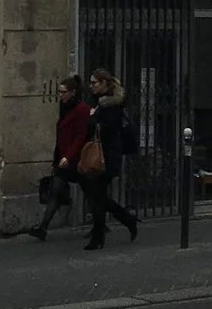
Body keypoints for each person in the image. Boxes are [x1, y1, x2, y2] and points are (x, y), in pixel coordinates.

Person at [80, 68, 140, 249]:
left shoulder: (111, 104)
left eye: (94, 83)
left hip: (107, 155)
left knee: (97, 196)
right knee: (97, 196)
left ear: (104, 83)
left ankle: (98, 237)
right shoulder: (95, 102)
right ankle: (127, 220)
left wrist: (92, 119)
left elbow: (106, 128)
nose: (91, 86)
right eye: (90, 83)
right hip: (97, 154)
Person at [30, 75, 91, 242]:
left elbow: (80, 136)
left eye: (63, 92)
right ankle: (43, 228)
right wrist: (58, 157)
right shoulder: (64, 107)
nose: (60, 95)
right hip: (63, 158)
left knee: (91, 192)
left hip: (76, 158)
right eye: (59, 92)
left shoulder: (82, 109)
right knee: (55, 191)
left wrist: (68, 156)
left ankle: (102, 223)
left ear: (72, 92)